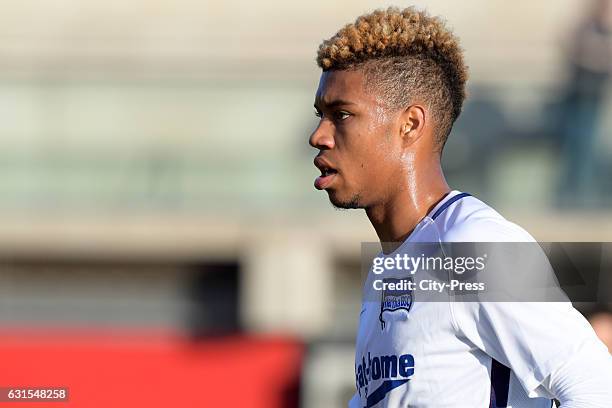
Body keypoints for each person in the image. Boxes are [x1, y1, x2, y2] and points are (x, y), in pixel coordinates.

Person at [309, 7, 612, 407]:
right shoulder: (390, 269)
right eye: (321, 116)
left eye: (341, 115)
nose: (318, 136)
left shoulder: (472, 245)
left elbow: (593, 383)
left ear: (410, 124)